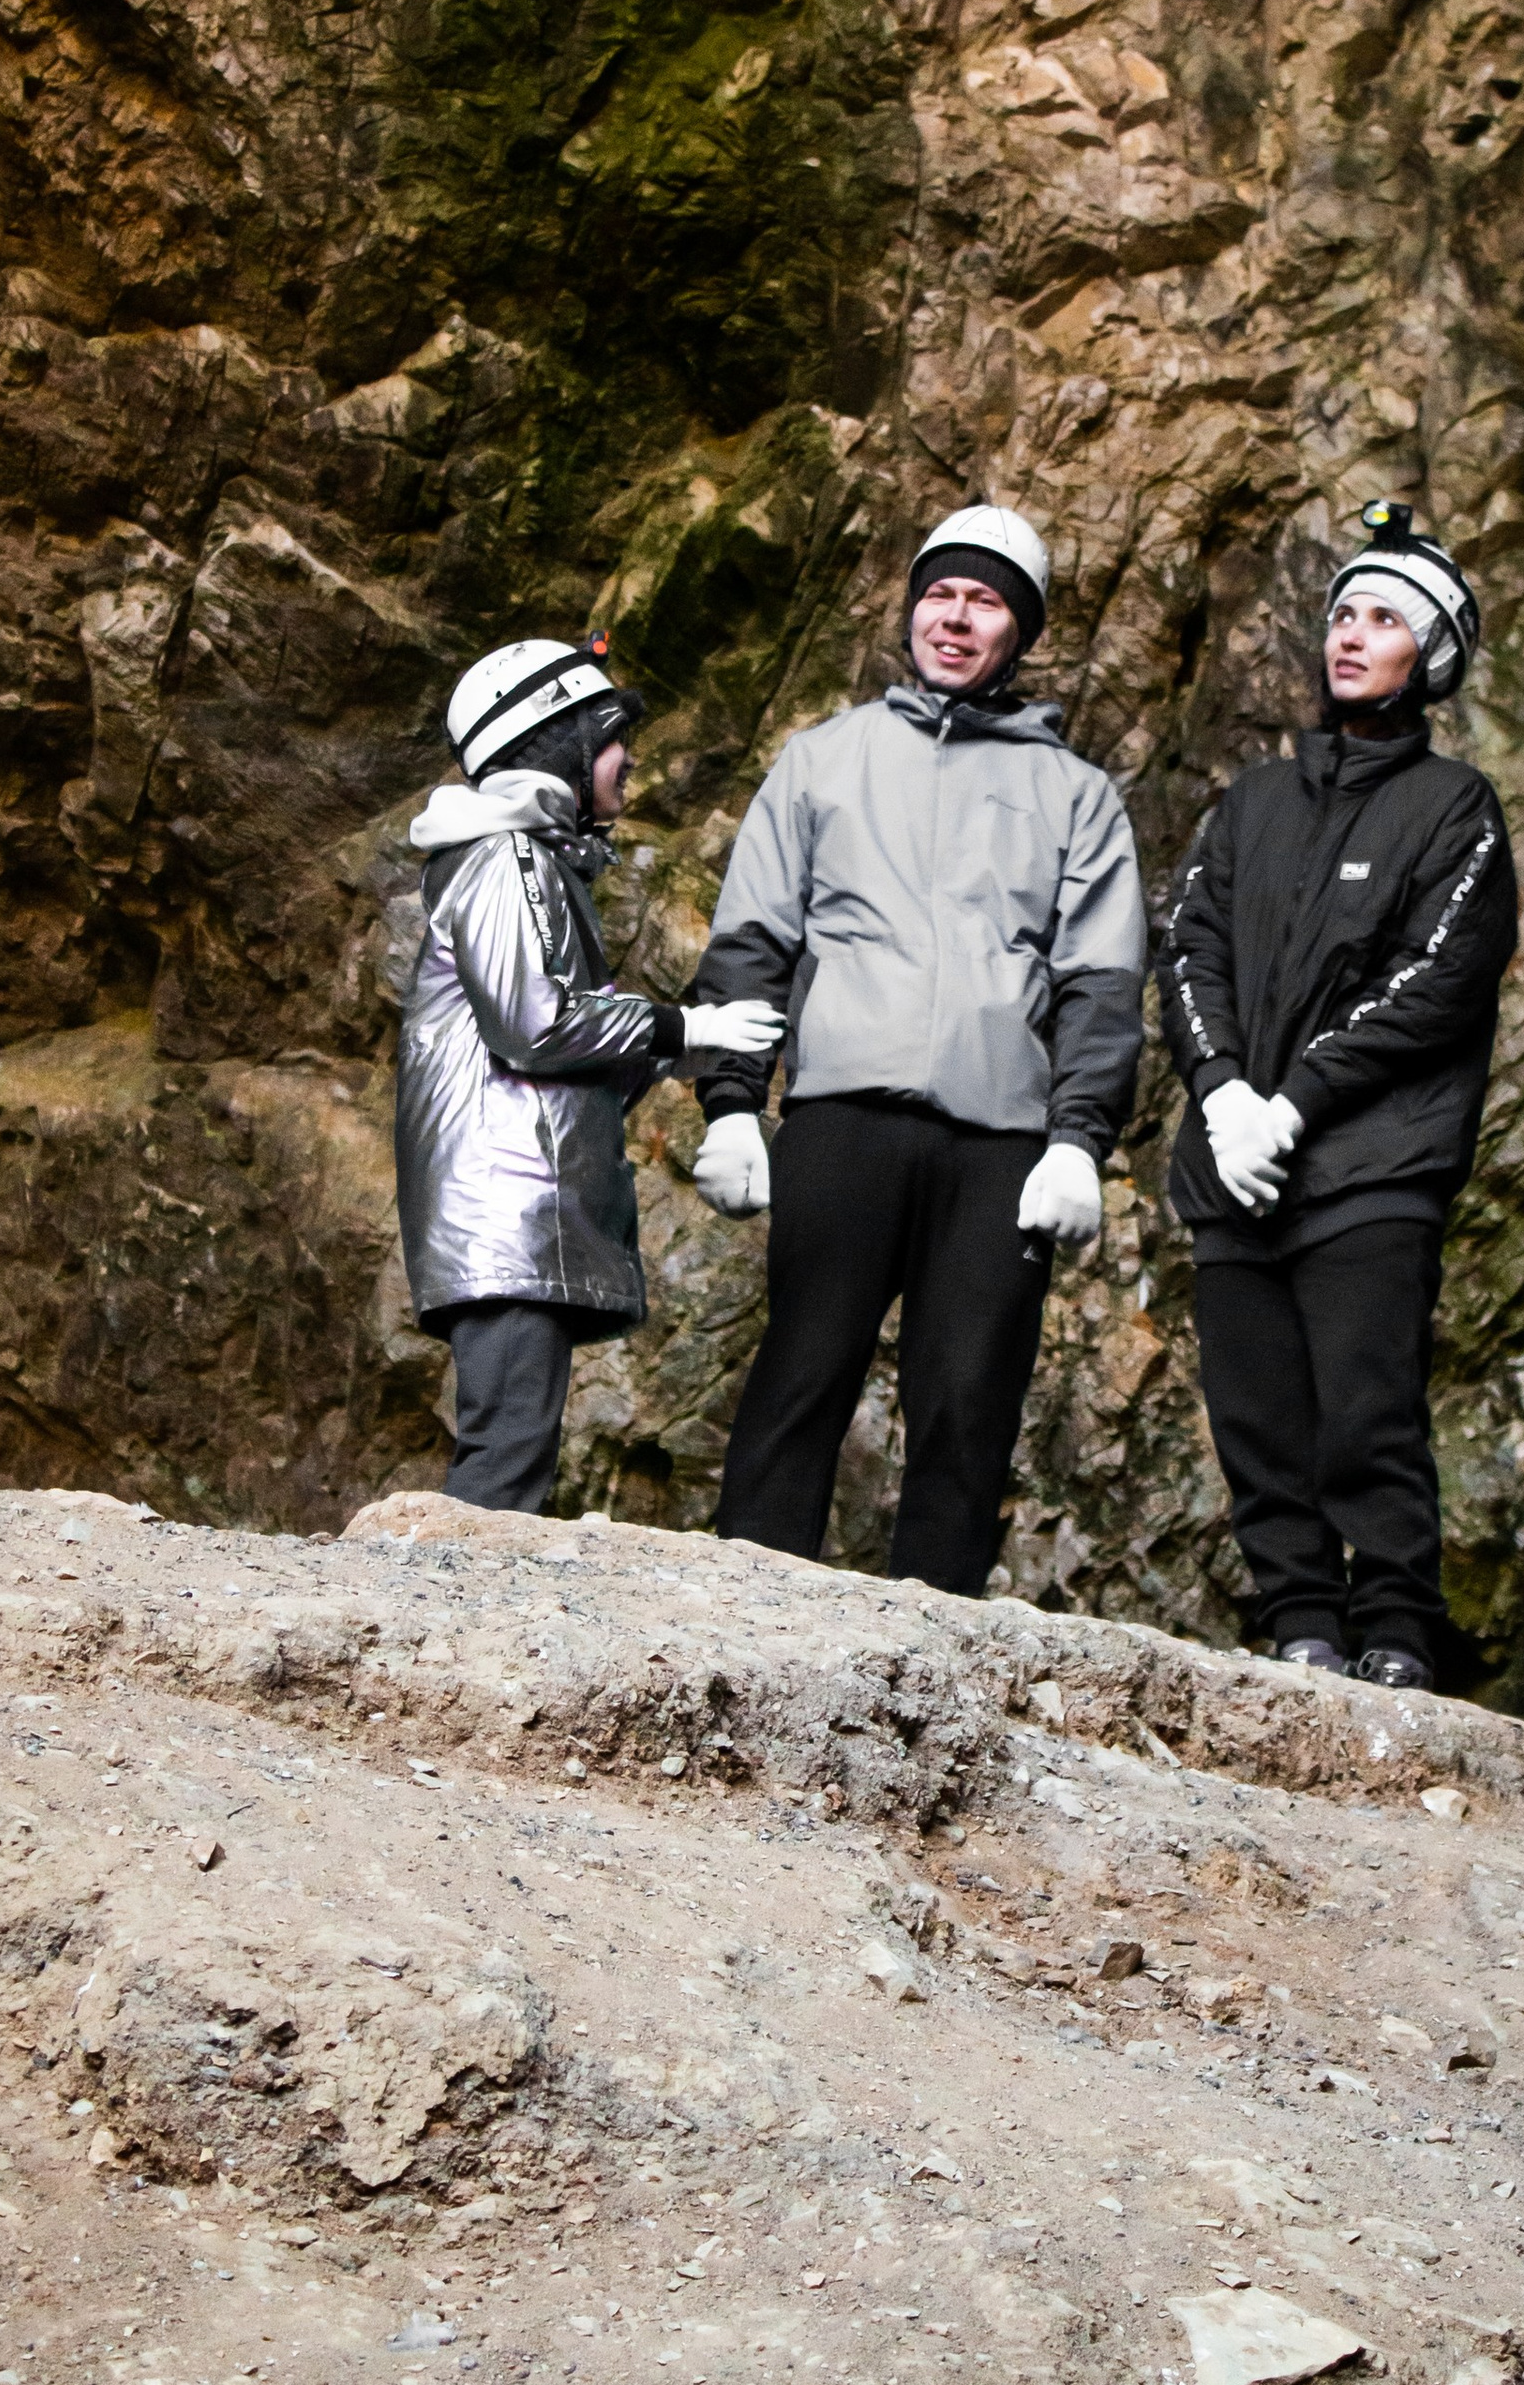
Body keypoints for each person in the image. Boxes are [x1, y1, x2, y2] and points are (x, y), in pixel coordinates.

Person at [685, 503, 1147, 1595]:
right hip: (843, 1117)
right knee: (802, 1373)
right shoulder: (824, 759)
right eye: (940, 593)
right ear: (910, 611)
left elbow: (1100, 982)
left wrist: (1077, 1139)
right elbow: (753, 939)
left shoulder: (1076, 796)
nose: (955, 617)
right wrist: (731, 1104)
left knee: (969, 1400)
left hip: (999, 1147)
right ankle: (745, 1615)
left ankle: (942, 1637)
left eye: (985, 601)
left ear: (1019, 631)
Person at [1156, 500, 1517, 1691]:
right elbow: (1189, 943)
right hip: (1235, 1166)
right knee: (1257, 1419)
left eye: (1383, 620)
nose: (1351, 636)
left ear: (1432, 655)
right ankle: (1300, 1623)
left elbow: (1438, 981)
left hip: (1373, 1167)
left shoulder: (1454, 808)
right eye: (1342, 614)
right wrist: (1222, 1096)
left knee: (1367, 1414)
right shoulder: (1254, 800)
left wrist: (1294, 1101)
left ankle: (1399, 1635)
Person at [395, 634, 782, 1511]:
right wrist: (683, 1023)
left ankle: (464, 1588)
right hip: (509, 1207)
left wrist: (676, 1050)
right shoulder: (506, 857)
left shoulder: (521, 859)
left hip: (516, 1212)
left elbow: (556, 1053)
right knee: (506, 1454)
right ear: (556, 744)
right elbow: (537, 1025)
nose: (629, 758)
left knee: (515, 1442)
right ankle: (453, 1597)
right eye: (612, 738)